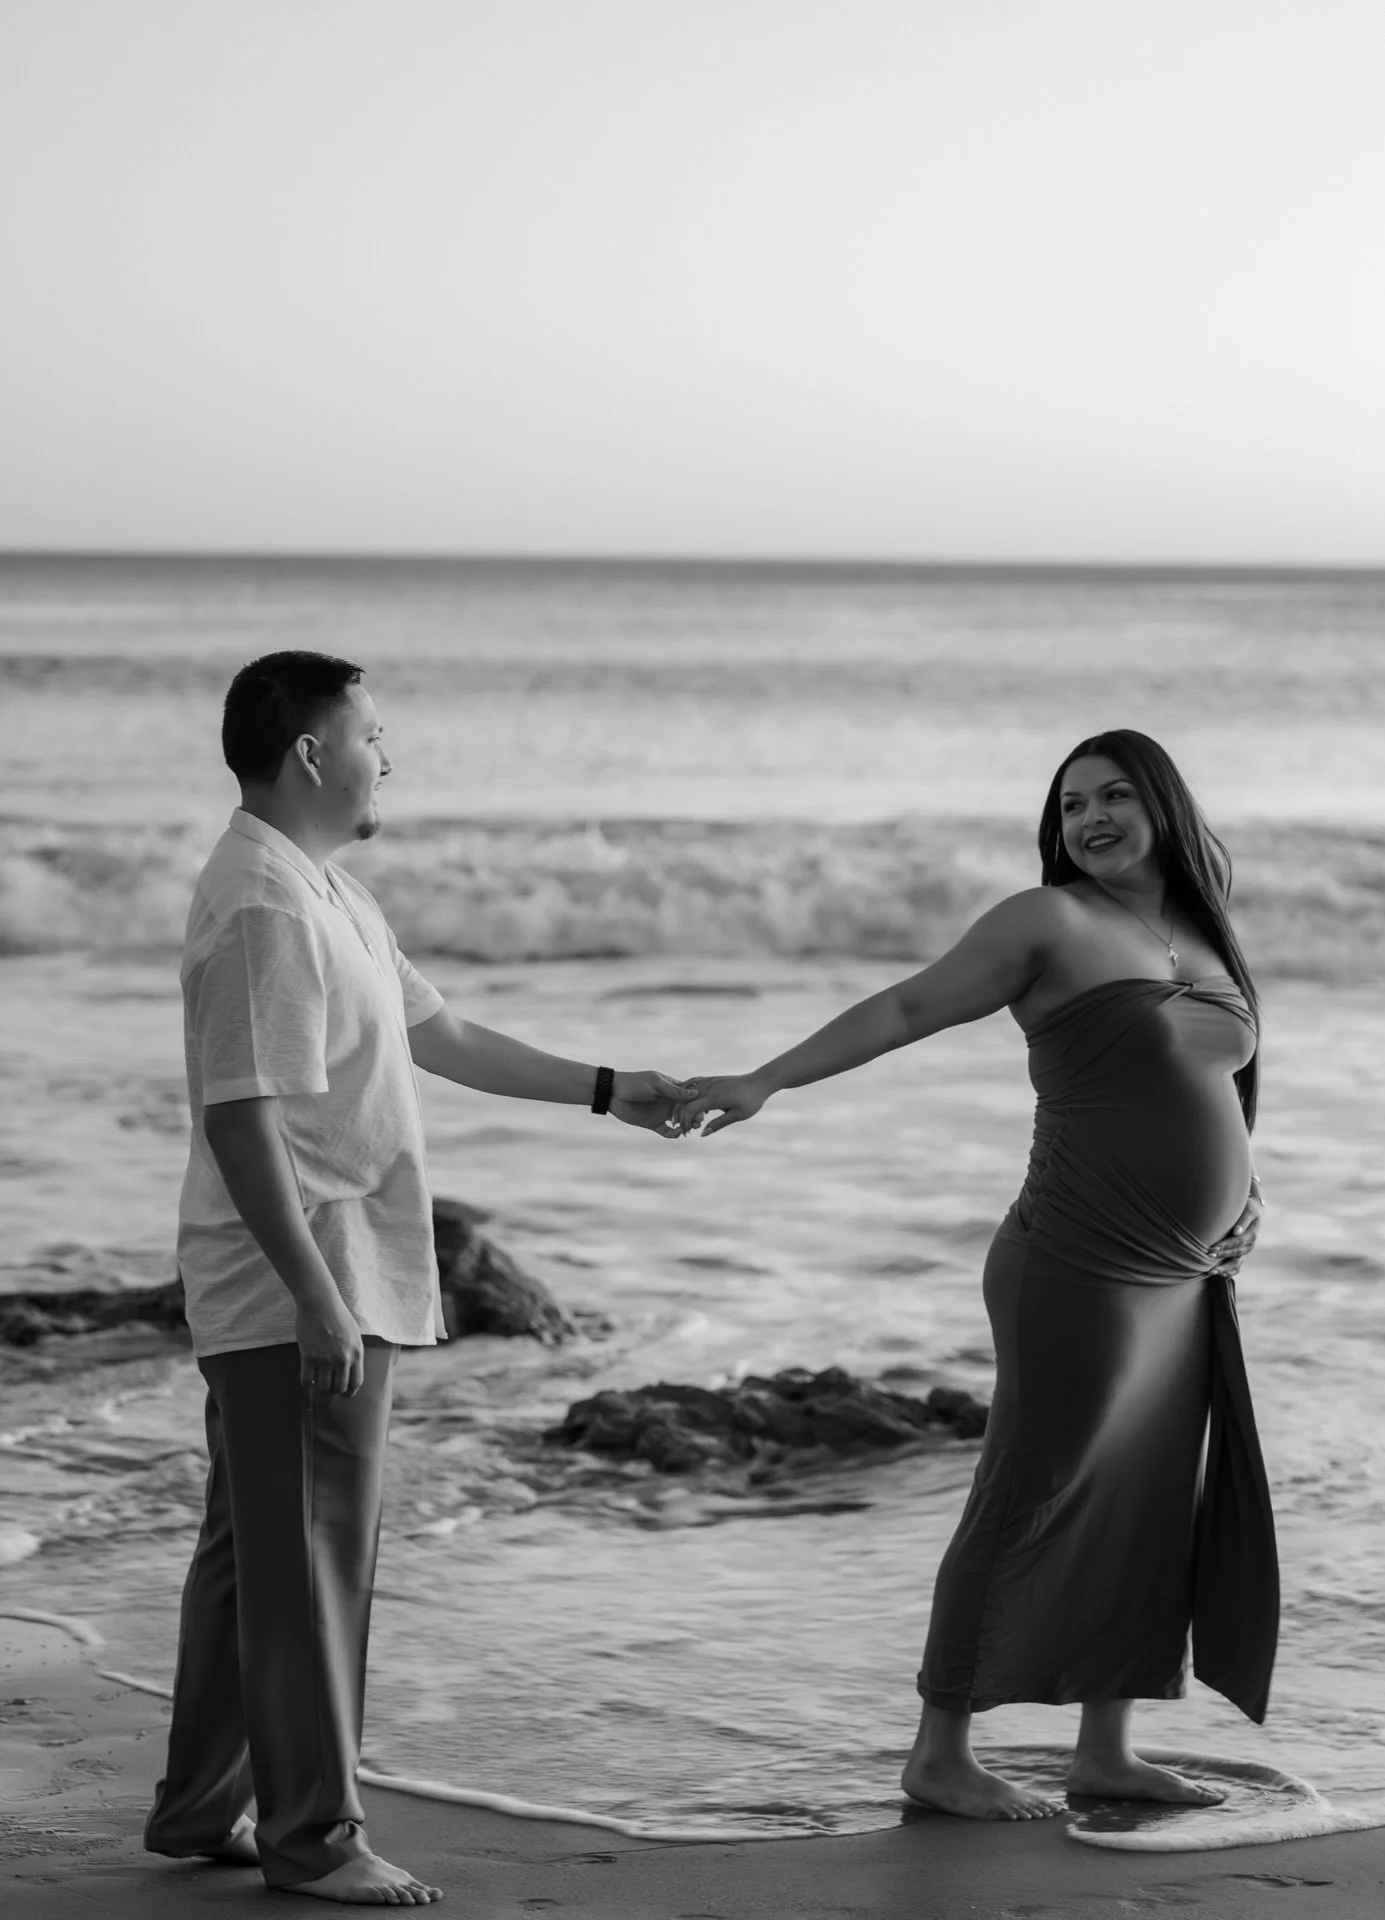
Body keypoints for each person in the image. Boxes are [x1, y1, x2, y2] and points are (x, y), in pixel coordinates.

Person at [144, 651, 685, 1905]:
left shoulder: (324, 889)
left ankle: (196, 1806)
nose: (393, 757)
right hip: (304, 1282)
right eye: (376, 736)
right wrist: (318, 1298)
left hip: (330, 1271)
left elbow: (444, 1036)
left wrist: (615, 1090)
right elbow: (242, 1119)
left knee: (254, 1554)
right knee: (313, 1557)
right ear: (313, 755)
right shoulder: (268, 906)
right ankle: (314, 1840)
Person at [676, 729, 1280, 1822]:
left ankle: (1107, 1748)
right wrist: (768, 1079)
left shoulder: (1199, 925)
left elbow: (1218, 1086)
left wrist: (1245, 1198)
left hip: (1186, 1270)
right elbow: (905, 1008)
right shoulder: (1045, 921)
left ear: (1164, 806)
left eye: (1111, 797)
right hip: (1077, 1257)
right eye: (1070, 805)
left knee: (1148, 1500)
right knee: (1028, 1490)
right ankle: (940, 1751)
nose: (1088, 820)